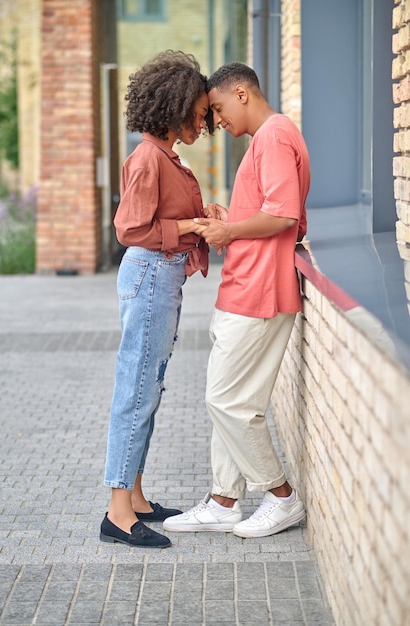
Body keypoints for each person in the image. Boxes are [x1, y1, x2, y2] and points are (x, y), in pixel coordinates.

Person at [163, 62, 310, 538]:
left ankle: (281, 496)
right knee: (233, 399)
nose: (217, 122)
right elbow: (264, 211)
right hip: (247, 285)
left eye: (220, 109)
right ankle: (224, 501)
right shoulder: (268, 139)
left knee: (226, 401)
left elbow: (284, 216)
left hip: (259, 290)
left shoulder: (272, 136)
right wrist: (232, 219)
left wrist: (231, 229)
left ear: (243, 93)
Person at [100, 50, 213, 549]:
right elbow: (130, 229)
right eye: (201, 111)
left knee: (150, 386)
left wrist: (202, 214)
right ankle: (117, 514)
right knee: (137, 390)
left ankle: (137, 498)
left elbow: (163, 217)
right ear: (177, 106)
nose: (206, 120)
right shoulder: (149, 156)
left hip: (160, 278)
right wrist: (190, 225)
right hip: (150, 277)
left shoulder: (164, 156)